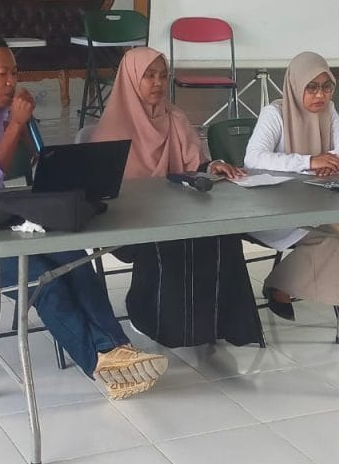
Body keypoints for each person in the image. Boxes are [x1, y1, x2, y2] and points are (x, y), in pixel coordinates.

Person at [0, 37, 168, 400]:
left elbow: (35, 161)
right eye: (2, 74)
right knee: (40, 279)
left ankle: (119, 348)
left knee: (72, 257)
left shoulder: (3, 113)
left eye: (15, 73)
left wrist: (32, 141)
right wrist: (16, 125)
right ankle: (100, 362)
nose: (12, 82)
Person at [90, 46, 263, 348]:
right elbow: (105, 192)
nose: (158, 83)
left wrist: (213, 166)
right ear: (130, 78)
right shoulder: (111, 129)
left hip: (178, 212)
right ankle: (157, 321)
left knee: (223, 234)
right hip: (129, 222)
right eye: (149, 76)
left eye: (163, 76)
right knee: (172, 238)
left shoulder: (175, 118)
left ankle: (221, 325)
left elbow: (195, 165)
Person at [244, 51, 339, 320]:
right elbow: (253, 158)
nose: (320, 95)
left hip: (316, 203)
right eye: (311, 87)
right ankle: (280, 285)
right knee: (334, 237)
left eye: (326, 87)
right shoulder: (275, 113)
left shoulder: (329, 111)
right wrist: (309, 161)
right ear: (295, 85)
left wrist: (331, 159)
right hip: (274, 209)